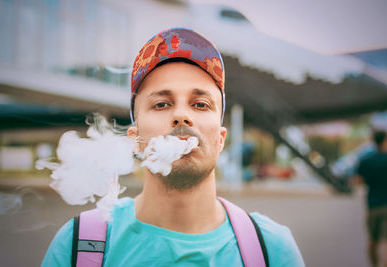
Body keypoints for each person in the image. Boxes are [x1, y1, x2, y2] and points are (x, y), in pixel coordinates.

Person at [42, 27, 304, 266]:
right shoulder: (78, 246)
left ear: (221, 138)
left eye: (200, 104)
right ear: (135, 137)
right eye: (161, 104)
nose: (181, 115)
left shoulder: (272, 250)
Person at [355, 130, 387, 267]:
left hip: (372, 204)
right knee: (385, 241)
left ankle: (374, 265)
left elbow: (357, 180)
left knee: (373, 240)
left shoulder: (365, 161)